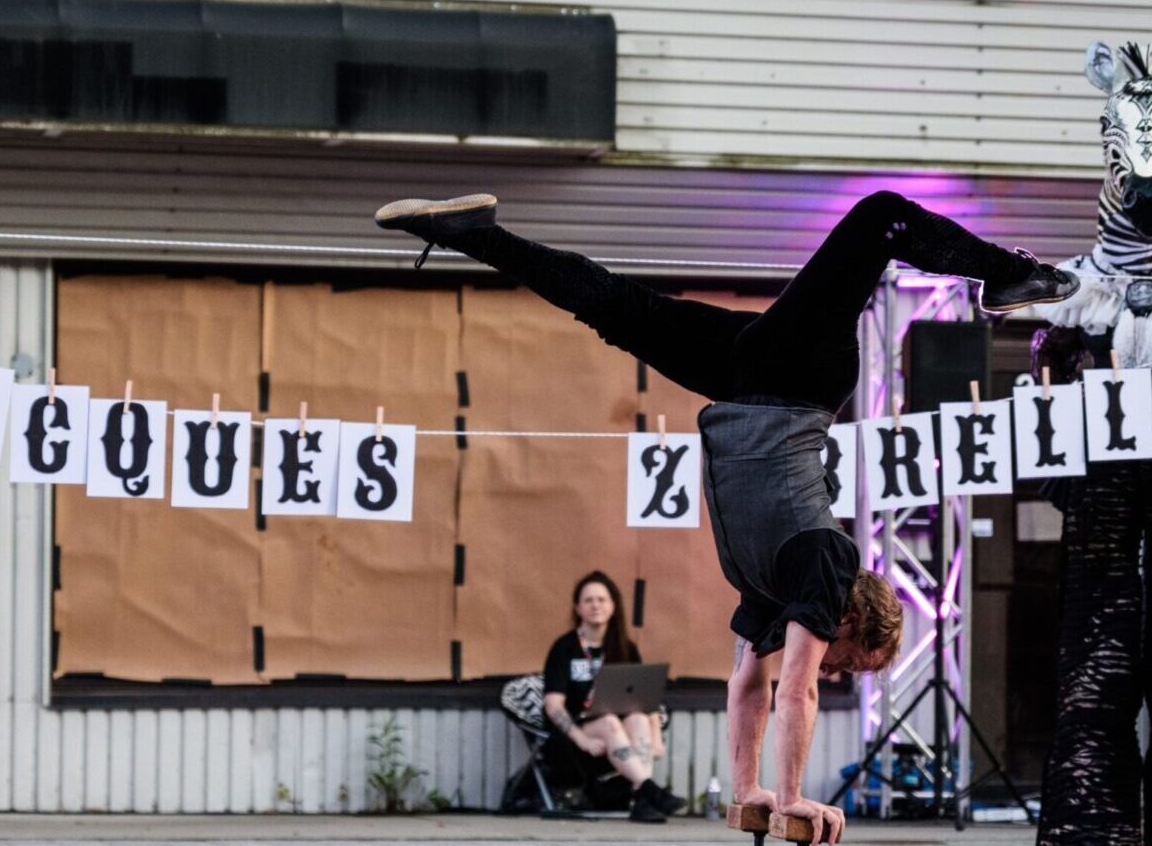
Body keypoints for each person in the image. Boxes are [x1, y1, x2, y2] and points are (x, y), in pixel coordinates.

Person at [376, 189, 1079, 844]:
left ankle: (476, 236)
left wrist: (753, 791)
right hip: (799, 379)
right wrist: (796, 793)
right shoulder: (825, 565)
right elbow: (795, 690)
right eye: (850, 663)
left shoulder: (770, 592)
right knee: (878, 218)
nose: (835, 673)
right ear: (849, 621)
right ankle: (1009, 274)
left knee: (608, 305)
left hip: (745, 381)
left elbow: (749, 684)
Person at [541, 571, 683, 822]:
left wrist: (656, 738)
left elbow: (645, 699)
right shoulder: (564, 648)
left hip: (619, 735)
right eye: (588, 600)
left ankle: (642, 796)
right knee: (609, 722)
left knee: (638, 718)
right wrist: (581, 738)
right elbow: (553, 705)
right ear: (578, 607)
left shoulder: (624, 646)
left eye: (602, 599)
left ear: (613, 606)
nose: (596, 605)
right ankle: (649, 791)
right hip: (578, 738)